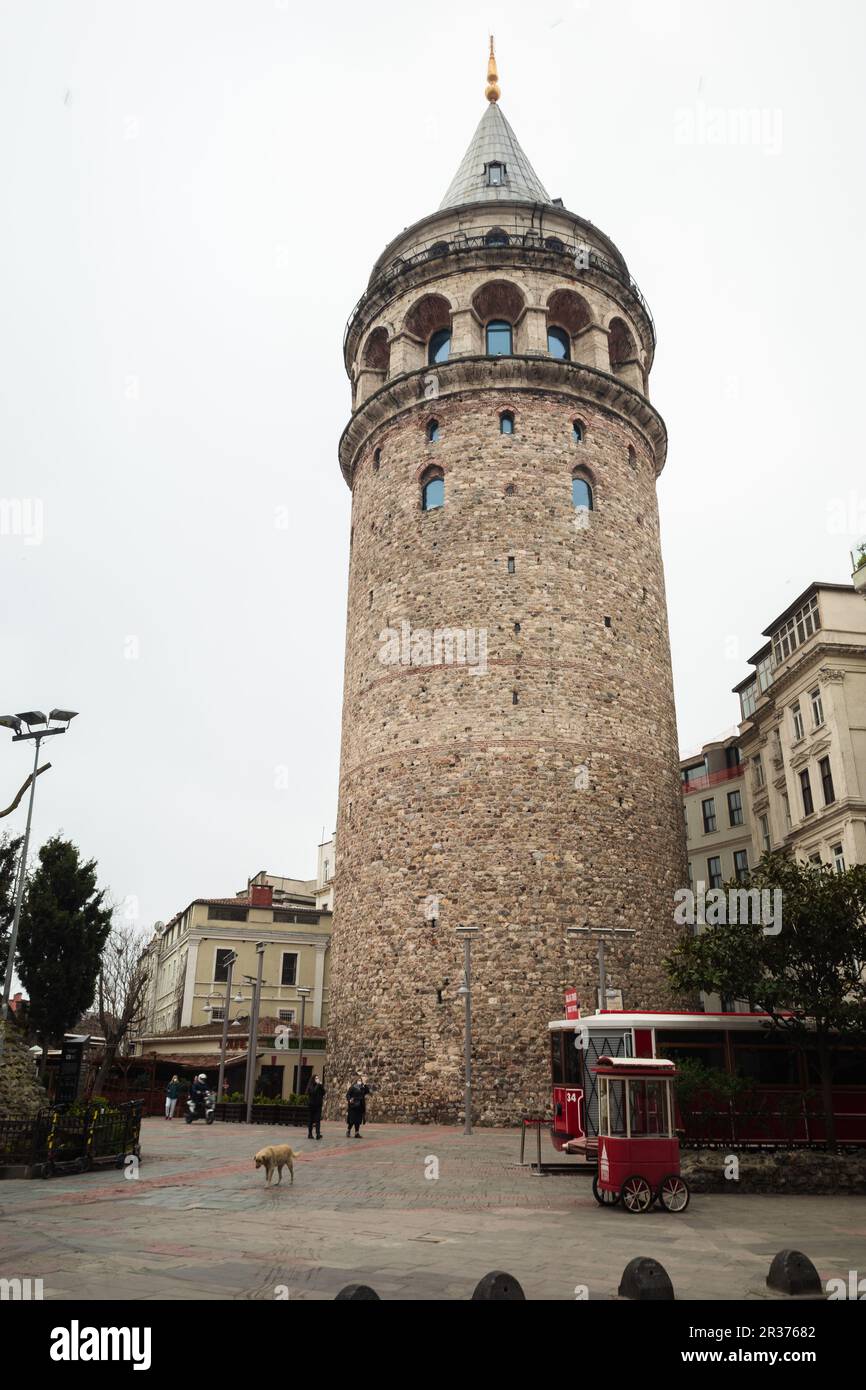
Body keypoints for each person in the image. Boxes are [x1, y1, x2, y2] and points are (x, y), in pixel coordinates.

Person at [306, 1074, 325, 1140]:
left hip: (318, 1105)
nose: (317, 1079)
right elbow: (313, 1092)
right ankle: (310, 1134)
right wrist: (317, 1085)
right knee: (311, 1120)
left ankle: (318, 1134)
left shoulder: (319, 1086)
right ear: (313, 1079)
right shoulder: (310, 1086)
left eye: (318, 1078)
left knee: (317, 1120)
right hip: (311, 1105)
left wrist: (321, 1086)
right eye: (316, 1078)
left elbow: (323, 1092)